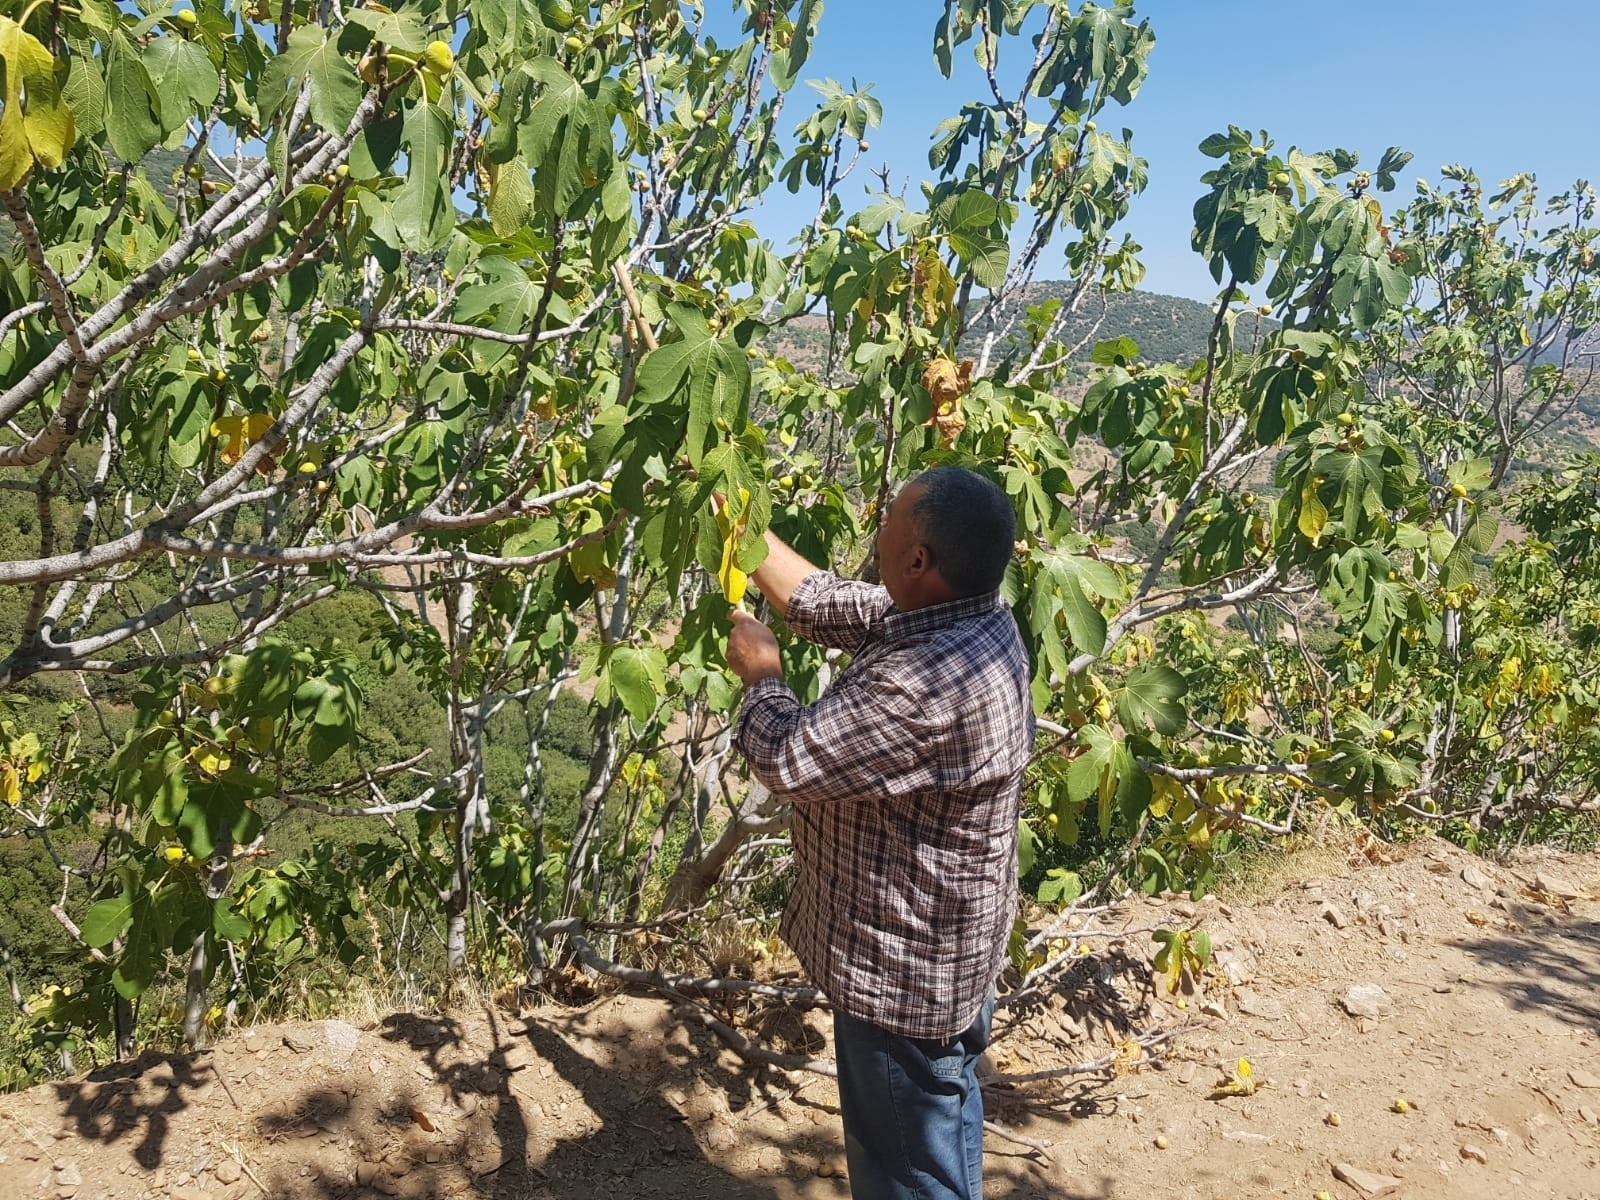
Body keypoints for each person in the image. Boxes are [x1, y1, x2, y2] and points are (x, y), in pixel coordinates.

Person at [724, 465, 1034, 1200]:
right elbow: (827, 600)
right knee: (941, 1112)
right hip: (953, 952)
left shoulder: (923, 686)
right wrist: (734, 511)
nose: (877, 531)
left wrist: (761, 675)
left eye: (889, 523)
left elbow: (790, 759)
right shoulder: (972, 615)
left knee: (905, 1166)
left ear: (918, 560)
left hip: (904, 973)